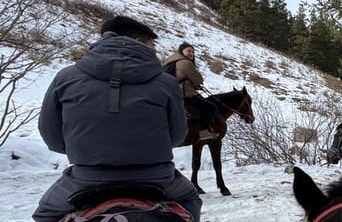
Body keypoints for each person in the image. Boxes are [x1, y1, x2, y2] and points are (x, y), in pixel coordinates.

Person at [34, 16, 202, 222]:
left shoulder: (66, 77)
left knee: (45, 214)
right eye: (151, 44)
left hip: (86, 178)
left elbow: (51, 136)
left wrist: (89, 153)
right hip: (157, 177)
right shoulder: (166, 82)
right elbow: (177, 135)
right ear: (139, 43)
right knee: (190, 201)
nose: (154, 50)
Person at [164, 42, 218, 140]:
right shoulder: (185, 62)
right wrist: (196, 84)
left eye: (193, 52)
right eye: (189, 51)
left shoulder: (171, 60)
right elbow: (198, 79)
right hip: (185, 95)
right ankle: (204, 132)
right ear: (181, 51)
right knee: (211, 107)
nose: (191, 54)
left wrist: (193, 85)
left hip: (173, 93)